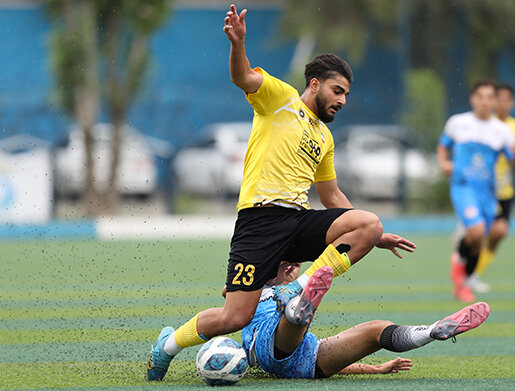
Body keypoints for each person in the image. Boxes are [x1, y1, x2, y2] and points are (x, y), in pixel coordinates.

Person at [147, 4, 416, 381]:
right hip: (259, 221)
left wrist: (373, 234)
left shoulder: (324, 137)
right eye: (338, 91)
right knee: (233, 317)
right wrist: (238, 43)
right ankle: (167, 345)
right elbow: (242, 77)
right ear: (315, 84)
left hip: (298, 220)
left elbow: (332, 196)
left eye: (347, 95)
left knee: (368, 223)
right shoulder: (281, 98)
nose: (342, 100)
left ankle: (303, 291)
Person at [238, 262, 489, 379]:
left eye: (295, 266)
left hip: (308, 363)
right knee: (288, 323)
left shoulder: (270, 291)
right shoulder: (250, 287)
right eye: (287, 265)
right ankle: (298, 313)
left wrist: (376, 368)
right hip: (272, 346)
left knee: (377, 330)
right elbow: (229, 294)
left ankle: (432, 331)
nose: (292, 270)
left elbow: (340, 367)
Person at [436, 80, 515, 302]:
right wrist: (444, 163)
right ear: (473, 99)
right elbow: (443, 146)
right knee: (477, 231)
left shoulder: (502, 131)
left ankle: (463, 275)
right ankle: (462, 275)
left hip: (488, 192)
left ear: (494, 101)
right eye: (480, 96)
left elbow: (512, 159)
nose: (484, 101)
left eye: (489, 97)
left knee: (477, 241)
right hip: (463, 187)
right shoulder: (458, 123)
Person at [468, 83, 515, 293]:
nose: (503, 103)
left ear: (512, 103)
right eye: (499, 98)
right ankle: (467, 269)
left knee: (499, 233)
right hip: (483, 188)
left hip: (504, 189)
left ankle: (473, 272)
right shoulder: (486, 125)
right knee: (482, 232)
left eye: (507, 99)